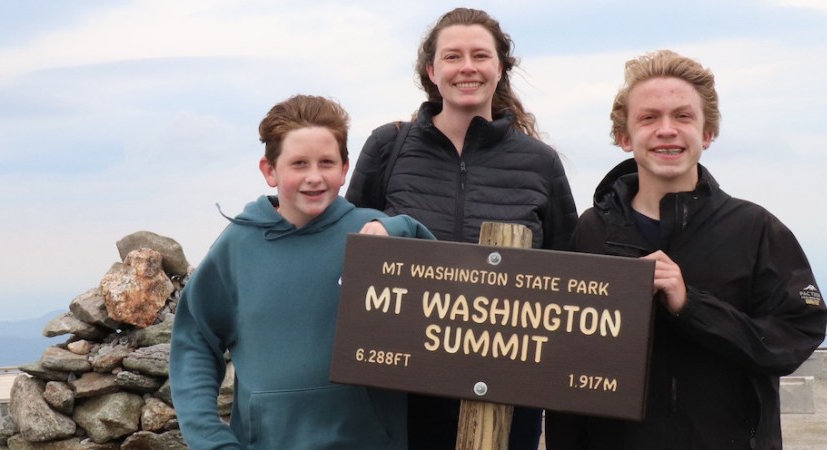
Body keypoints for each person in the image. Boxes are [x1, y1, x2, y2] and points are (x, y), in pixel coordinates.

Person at [543, 50, 827, 449]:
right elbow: (565, 360)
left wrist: (691, 305)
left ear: (707, 134)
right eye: (648, 118)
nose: (666, 130)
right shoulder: (591, 231)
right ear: (624, 137)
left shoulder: (755, 229)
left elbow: (796, 336)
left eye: (683, 116)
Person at [346, 7, 578, 450]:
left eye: (480, 56)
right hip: (400, 390)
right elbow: (350, 256)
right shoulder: (387, 147)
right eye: (453, 57)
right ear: (431, 71)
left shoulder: (540, 163)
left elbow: (567, 271)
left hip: (510, 391)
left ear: (500, 68)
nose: (467, 67)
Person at [170, 94, 434, 449]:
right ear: (269, 170)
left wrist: (404, 229)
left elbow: (446, 295)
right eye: (298, 164)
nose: (314, 177)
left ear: (345, 168)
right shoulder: (237, 247)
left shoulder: (373, 234)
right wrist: (211, 439)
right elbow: (195, 341)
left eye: (326, 162)